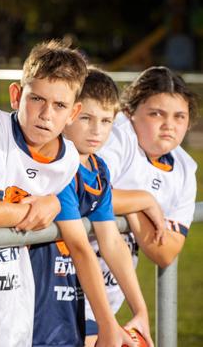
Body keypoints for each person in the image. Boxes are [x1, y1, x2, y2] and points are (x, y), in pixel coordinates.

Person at [0, 40, 134, 347]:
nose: (46, 114)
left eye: (60, 105)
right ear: (16, 95)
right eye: (37, 99)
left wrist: (53, 203)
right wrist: (39, 210)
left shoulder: (67, 160)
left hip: (17, 302)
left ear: (73, 112)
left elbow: (79, 242)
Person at [30, 67, 154, 347]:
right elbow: (80, 247)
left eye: (106, 121)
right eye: (87, 118)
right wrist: (108, 324)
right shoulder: (58, 165)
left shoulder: (98, 169)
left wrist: (140, 310)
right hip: (37, 303)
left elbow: (111, 241)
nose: (97, 130)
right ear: (71, 114)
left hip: (70, 300)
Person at [89, 66, 199, 345]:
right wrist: (144, 201)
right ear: (130, 112)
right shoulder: (117, 135)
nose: (169, 125)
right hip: (65, 282)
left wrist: (129, 208)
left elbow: (166, 251)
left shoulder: (185, 168)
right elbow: (87, 193)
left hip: (108, 294)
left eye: (179, 116)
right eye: (156, 114)